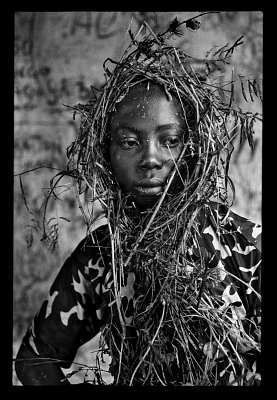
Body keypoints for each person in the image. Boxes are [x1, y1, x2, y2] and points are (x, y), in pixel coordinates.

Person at [15, 17, 262, 386]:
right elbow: (35, 361)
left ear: (194, 150)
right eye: (129, 142)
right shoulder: (103, 254)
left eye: (170, 140)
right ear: (105, 153)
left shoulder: (245, 246)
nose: (151, 159)